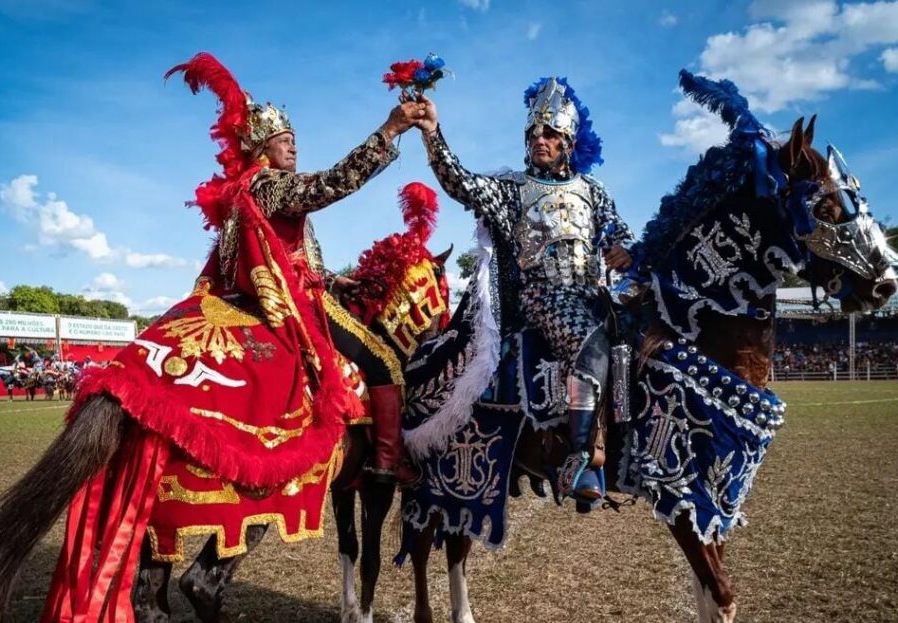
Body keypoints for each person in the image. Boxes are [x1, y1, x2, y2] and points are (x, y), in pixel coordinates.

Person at [413, 77, 635, 504]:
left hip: (594, 294)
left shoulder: (594, 191)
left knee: (637, 343)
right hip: (543, 296)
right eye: (533, 132)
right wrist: (432, 134)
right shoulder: (512, 188)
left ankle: (632, 443)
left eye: (550, 133)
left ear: (568, 141)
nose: (539, 138)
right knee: (590, 346)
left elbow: (617, 235)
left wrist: (625, 252)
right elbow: (459, 181)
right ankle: (582, 455)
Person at [247, 92, 426, 483]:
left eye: (293, 138)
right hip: (299, 302)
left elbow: (284, 255)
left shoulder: (259, 188)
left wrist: (334, 279)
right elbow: (332, 183)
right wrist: (390, 130)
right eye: (282, 139)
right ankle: (386, 460)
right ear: (261, 148)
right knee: (385, 361)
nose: (293, 144)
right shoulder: (270, 185)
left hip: (307, 288)